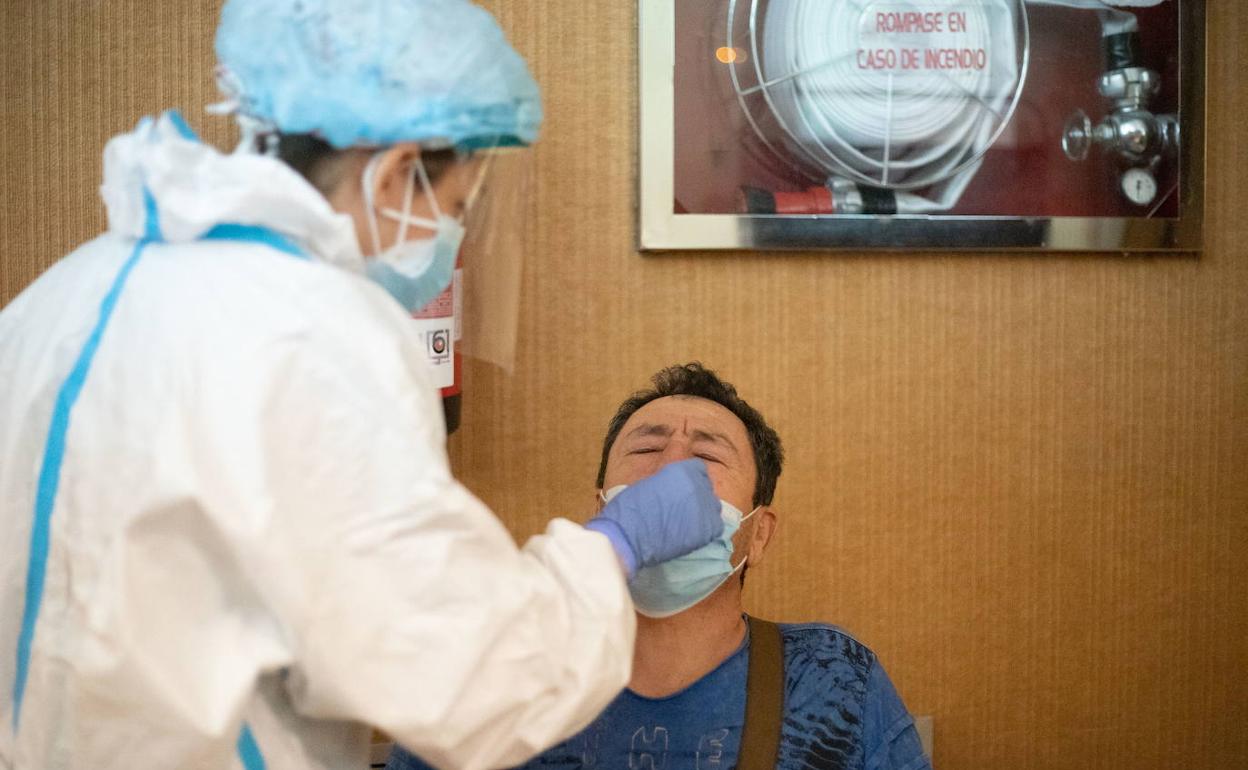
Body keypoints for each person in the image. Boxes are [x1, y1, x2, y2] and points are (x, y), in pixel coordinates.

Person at [0, 2, 724, 769]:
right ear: (394, 172)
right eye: (452, 209)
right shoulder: (318, 338)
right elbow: (465, 682)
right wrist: (613, 547)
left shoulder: (59, 300)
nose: (451, 241)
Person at [388, 362, 931, 770]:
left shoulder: (836, 678)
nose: (673, 469)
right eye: (647, 449)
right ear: (602, 510)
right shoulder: (495, 674)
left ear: (759, 534)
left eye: (708, 457)